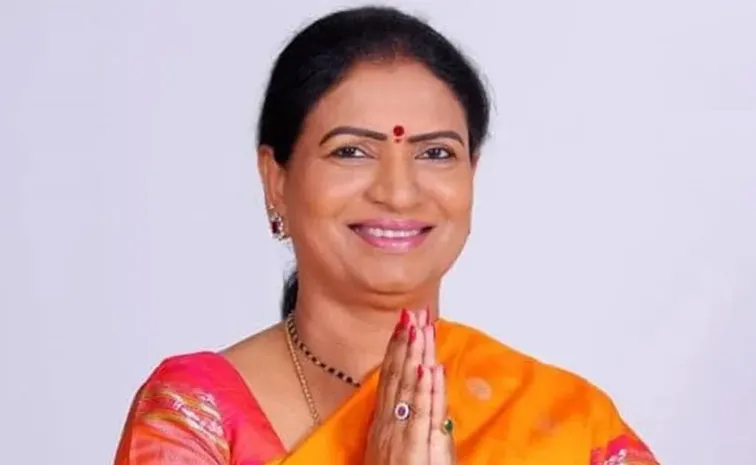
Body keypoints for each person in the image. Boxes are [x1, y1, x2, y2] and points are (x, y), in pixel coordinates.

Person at [114, 6, 659, 465]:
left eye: (436, 153)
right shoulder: (195, 418)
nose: (398, 193)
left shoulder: (569, 424)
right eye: (351, 151)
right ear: (276, 180)